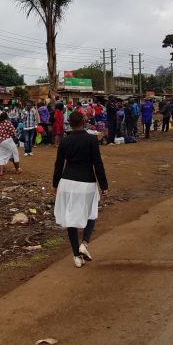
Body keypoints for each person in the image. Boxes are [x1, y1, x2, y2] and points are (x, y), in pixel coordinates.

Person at [53, 110, 109, 268]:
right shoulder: (91, 140)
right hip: (87, 183)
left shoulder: (65, 141)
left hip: (67, 182)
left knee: (70, 218)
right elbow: (98, 164)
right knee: (91, 213)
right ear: (84, 122)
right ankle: (84, 243)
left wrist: (55, 185)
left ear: (69, 124)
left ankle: (77, 257)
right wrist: (104, 186)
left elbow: (58, 165)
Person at [0, 111, 21, 177]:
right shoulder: (8, 123)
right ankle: (17, 169)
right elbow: (13, 132)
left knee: (0, 157)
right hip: (7, 140)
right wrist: (14, 137)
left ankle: (1, 172)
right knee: (15, 154)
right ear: (6, 117)